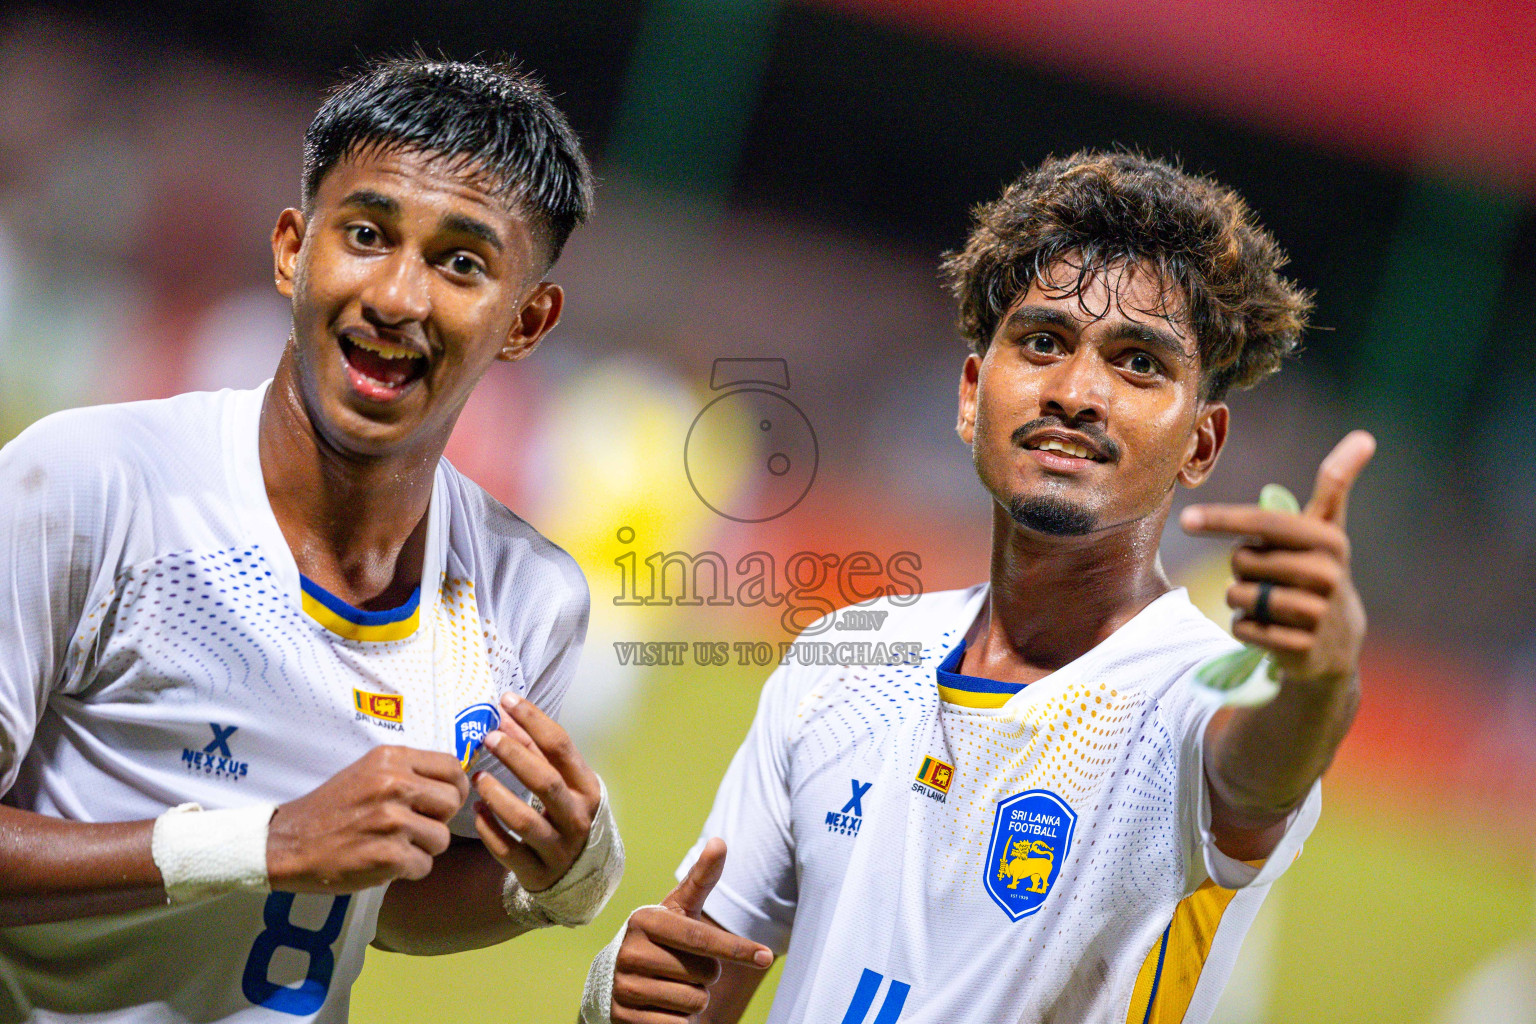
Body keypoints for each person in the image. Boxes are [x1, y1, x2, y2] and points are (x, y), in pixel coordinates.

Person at [582, 151, 1374, 1024]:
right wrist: (625, 998)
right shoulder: (842, 665)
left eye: (1138, 363)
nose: (1077, 392)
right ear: (969, 395)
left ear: (1202, 445)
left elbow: (1265, 772)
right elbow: (697, 983)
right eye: (1043, 343)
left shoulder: (1190, 706)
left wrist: (1321, 672)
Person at [0, 56, 624, 1021]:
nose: (398, 297)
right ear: (293, 249)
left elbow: (381, 897)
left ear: (526, 321)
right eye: (368, 235)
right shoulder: (91, 487)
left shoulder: (529, 598)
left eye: (462, 262)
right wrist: (266, 842)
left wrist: (553, 883)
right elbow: (296, 850)